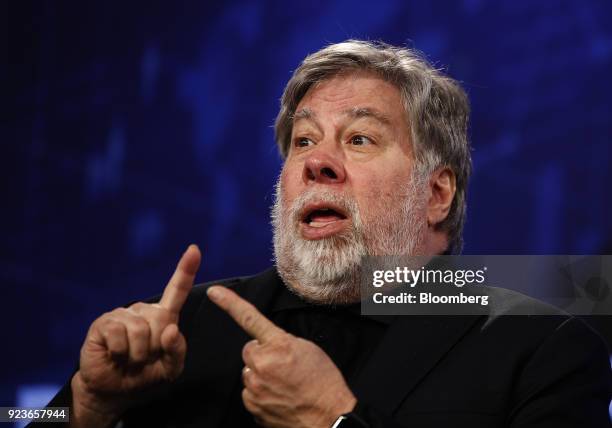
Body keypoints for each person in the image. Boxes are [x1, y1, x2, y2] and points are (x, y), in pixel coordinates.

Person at [29, 40, 611, 428]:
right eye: (304, 141)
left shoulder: (543, 348)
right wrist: (86, 405)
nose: (317, 163)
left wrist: (333, 423)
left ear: (437, 194)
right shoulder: (183, 329)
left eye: (359, 139)